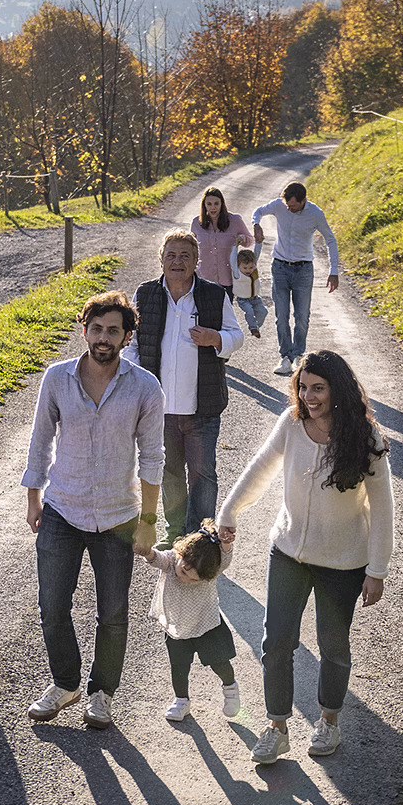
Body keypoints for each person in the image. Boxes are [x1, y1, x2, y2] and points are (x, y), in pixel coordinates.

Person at [217, 349, 393, 763]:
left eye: (318, 388)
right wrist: (229, 512)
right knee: (276, 642)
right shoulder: (292, 423)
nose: (308, 396)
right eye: (303, 387)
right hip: (288, 552)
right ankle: (277, 728)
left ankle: (328, 721)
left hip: (343, 563)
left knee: (333, 644)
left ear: (337, 390)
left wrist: (377, 569)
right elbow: (261, 467)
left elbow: (383, 508)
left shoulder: (366, 438)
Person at [22, 290, 165, 729]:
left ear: (126, 337)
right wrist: (33, 496)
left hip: (119, 516)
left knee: (114, 613)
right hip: (62, 509)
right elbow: (40, 439)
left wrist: (148, 521)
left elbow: (153, 457)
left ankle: (102, 693)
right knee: (52, 606)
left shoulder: (144, 386)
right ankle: (65, 684)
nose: (104, 337)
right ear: (84, 331)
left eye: (113, 331)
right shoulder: (57, 378)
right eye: (97, 329)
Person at [128, 231, 243, 541]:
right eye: (171, 255)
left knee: (202, 474)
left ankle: (200, 538)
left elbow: (237, 336)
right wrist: (135, 381)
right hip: (160, 408)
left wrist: (216, 338)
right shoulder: (145, 294)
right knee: (170, 473)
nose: (177, 261)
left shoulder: (213, 295)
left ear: (196, 261)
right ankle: (175, 533)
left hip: (202, 407)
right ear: (161, 260)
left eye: (185, 256)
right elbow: (132, 345)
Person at [132, 521, 241, 724]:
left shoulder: (212, 569)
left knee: (219, 662)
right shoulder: (171, 561)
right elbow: (156, 558)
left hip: (206, 625)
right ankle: (181, 700)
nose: (186, 579)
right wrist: (146, 552)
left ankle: (230, 688)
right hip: (177, 628)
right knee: (179, 666)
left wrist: (226, 543)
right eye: (184, 572)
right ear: (181, 555)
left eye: (194, 580)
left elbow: (225, 559)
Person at [251, 181, 341, 377]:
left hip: (303, 270)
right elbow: (258, 211)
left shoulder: (315, 213)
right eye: (287, 205)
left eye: (293, 206)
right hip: (280, 267)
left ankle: (299, 356)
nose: (289, 209)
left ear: (303, 201)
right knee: (281, 315)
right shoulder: (279, 205)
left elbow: (330, 239)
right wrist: (256, 225)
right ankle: (285, 357)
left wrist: (333, 270)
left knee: (301, 317)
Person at [191, 186, 253, 294]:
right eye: (209, 204)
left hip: (227, 278)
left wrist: (242, 238)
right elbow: (191, 248)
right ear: (204, 205)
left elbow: (250, 241)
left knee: (225, 305)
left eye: (216, 203)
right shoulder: (196, 223)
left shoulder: (235, 220)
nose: (213, 207)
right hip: (203, 278)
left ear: (222, 204)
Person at [231, 245, 268, 340]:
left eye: (251, 267)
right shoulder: (237, 273)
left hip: (255, 298)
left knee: (263, 312)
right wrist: (235, 246)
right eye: (245, 268)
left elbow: (256, 254)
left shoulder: (254, 270)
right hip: (243, 300)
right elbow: (233, 259)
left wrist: (259, 243)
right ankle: (253, 328)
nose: (248, 270)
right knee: (249, 311)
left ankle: (256, 326)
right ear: (238, 265)